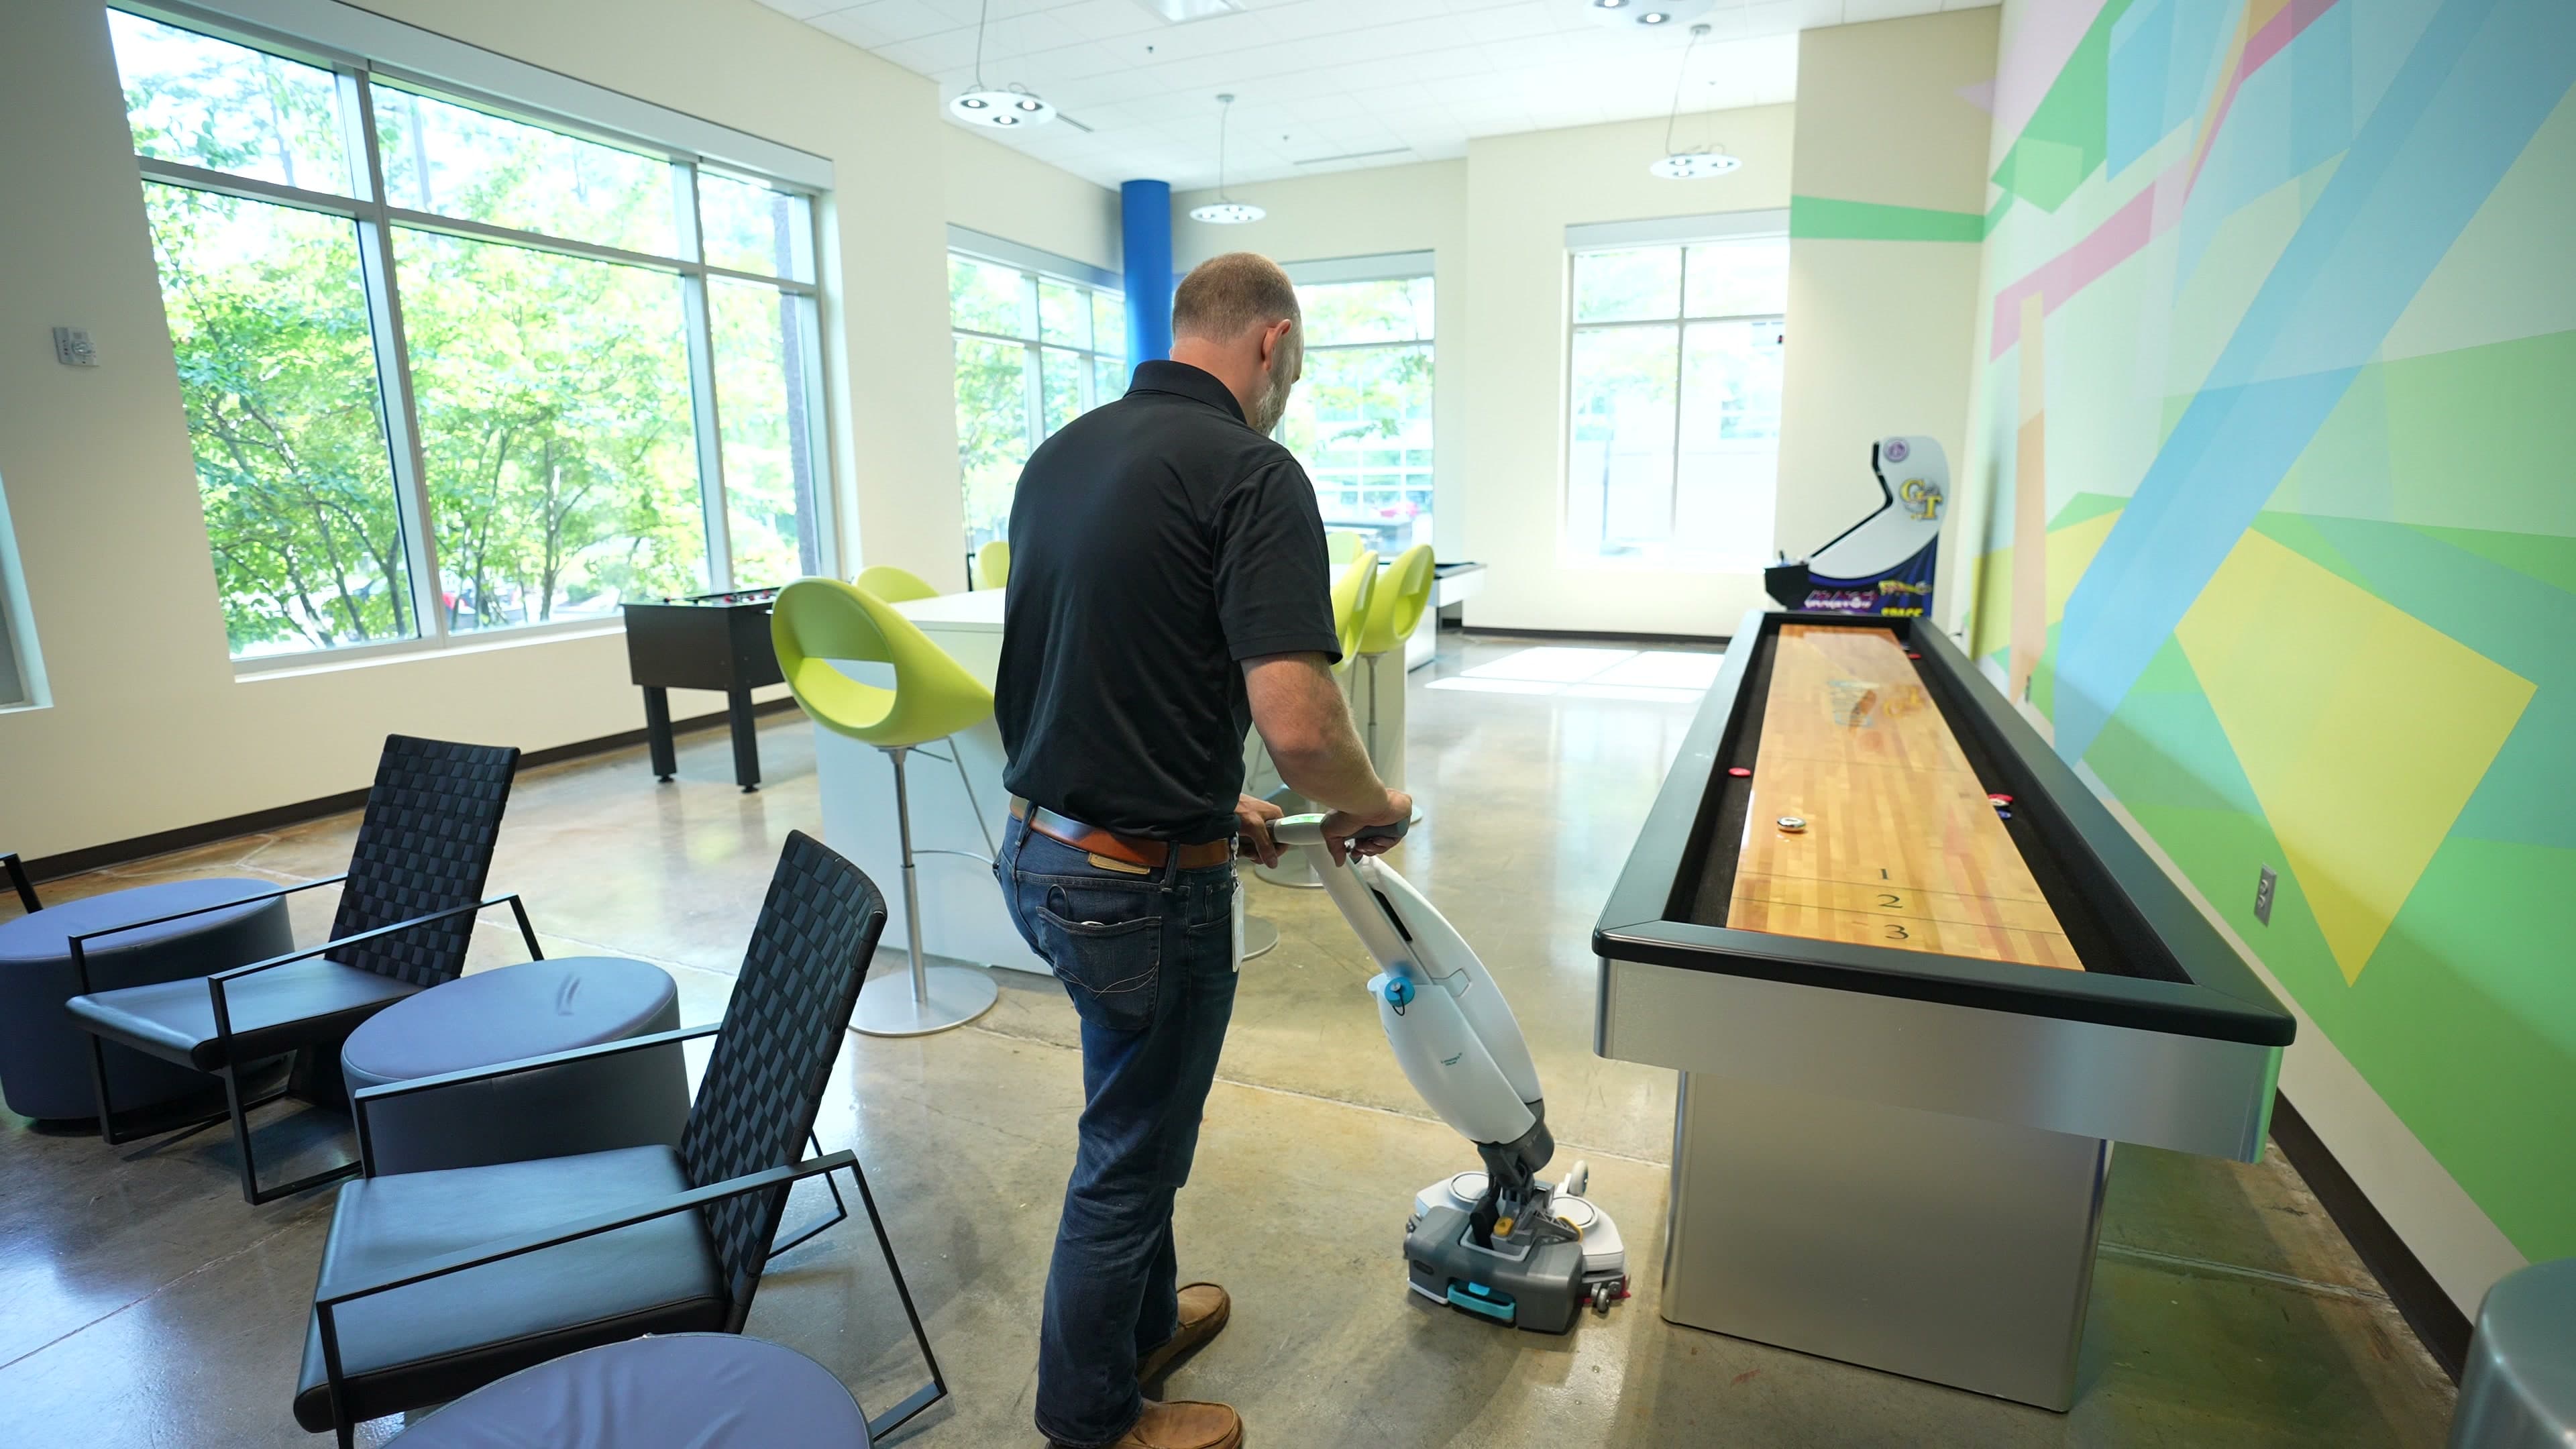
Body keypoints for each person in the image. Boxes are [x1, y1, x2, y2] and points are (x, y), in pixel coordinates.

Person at [993, 252, 1413, 1449]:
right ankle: (1093, 1418)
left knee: (1129, 1102)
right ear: (1270, 344)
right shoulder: (1252, 471)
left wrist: (1206, 796)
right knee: (1130, 1152)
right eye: (1299, 364)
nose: (1290, 387)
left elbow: (1099, 663)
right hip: (1138, 891)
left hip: (1041, 852)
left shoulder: (1061, 452)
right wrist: (1370, 801)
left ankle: (1138, 1332)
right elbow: (1301, 723)